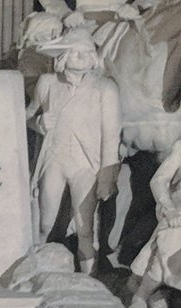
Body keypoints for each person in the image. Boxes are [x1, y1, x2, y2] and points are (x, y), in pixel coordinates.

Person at [26, 27, 121, 274]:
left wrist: (107, 176)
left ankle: (89, 279)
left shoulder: (105, 89)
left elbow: (111, 137)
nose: (81, 56)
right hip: (54, 160)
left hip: (86, 164)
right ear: (63, 56)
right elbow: (26, 115)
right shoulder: (47, 83)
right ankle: (37, 270)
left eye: (86, 51)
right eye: (74, 51)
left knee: (85, 228)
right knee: (45, 222)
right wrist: (38, 123)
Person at [129, 137, 181, 308]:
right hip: (177, 215)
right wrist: (170, 209)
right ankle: (141, 297)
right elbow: (158, 181)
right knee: (169, 245)